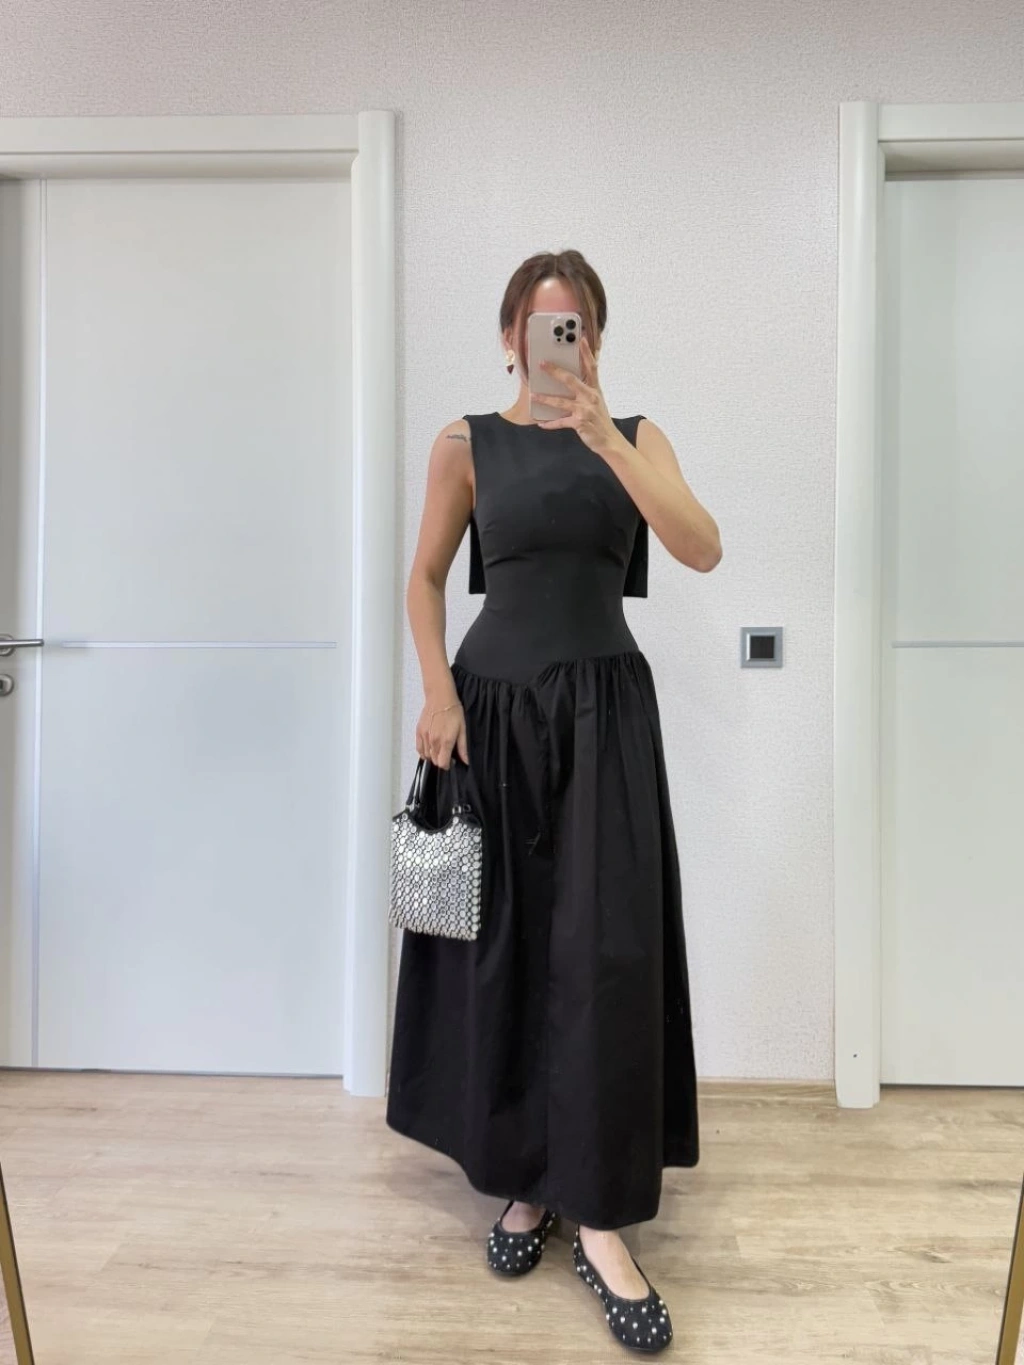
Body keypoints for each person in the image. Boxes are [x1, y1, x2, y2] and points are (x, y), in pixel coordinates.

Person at [385, 248, 721, 1353]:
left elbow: (702, 548)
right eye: (540, 322)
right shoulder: (463, 444)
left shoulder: (637, 438)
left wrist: (605, 438)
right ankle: (525, 1182)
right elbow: (425, 577)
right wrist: (437, 693)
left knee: (604, 956)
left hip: (603, 718)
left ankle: (604, 1218)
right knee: (511, 951)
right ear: (508, 337)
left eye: (575, 323)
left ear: (596, 339)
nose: (556, 340)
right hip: (490, 718)